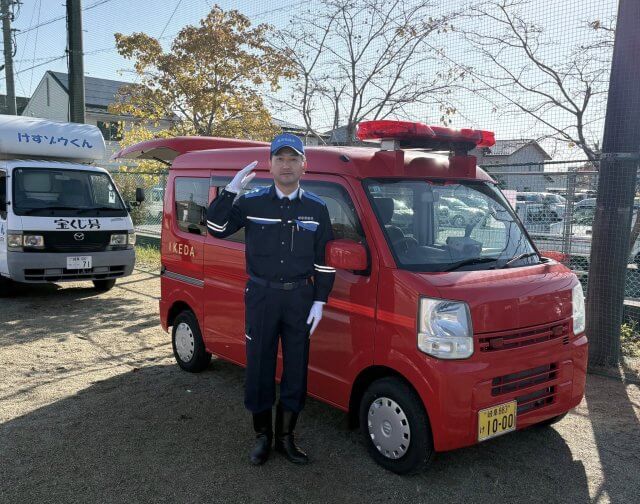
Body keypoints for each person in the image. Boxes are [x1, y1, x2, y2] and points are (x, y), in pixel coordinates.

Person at [206, 133, 336, 466]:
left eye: (293, 159)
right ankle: (263, 436)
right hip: (262, 296)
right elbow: (215, 227)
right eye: (280, 158)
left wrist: (320, 300)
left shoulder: (317, 208)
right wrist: (230, 191)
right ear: (270, 164)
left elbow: (324, 260)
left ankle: (286, 437)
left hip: (300, 298)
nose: (286, 165)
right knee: (259, 365)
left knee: (296, 367)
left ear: (304, 165)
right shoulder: (251, 203)